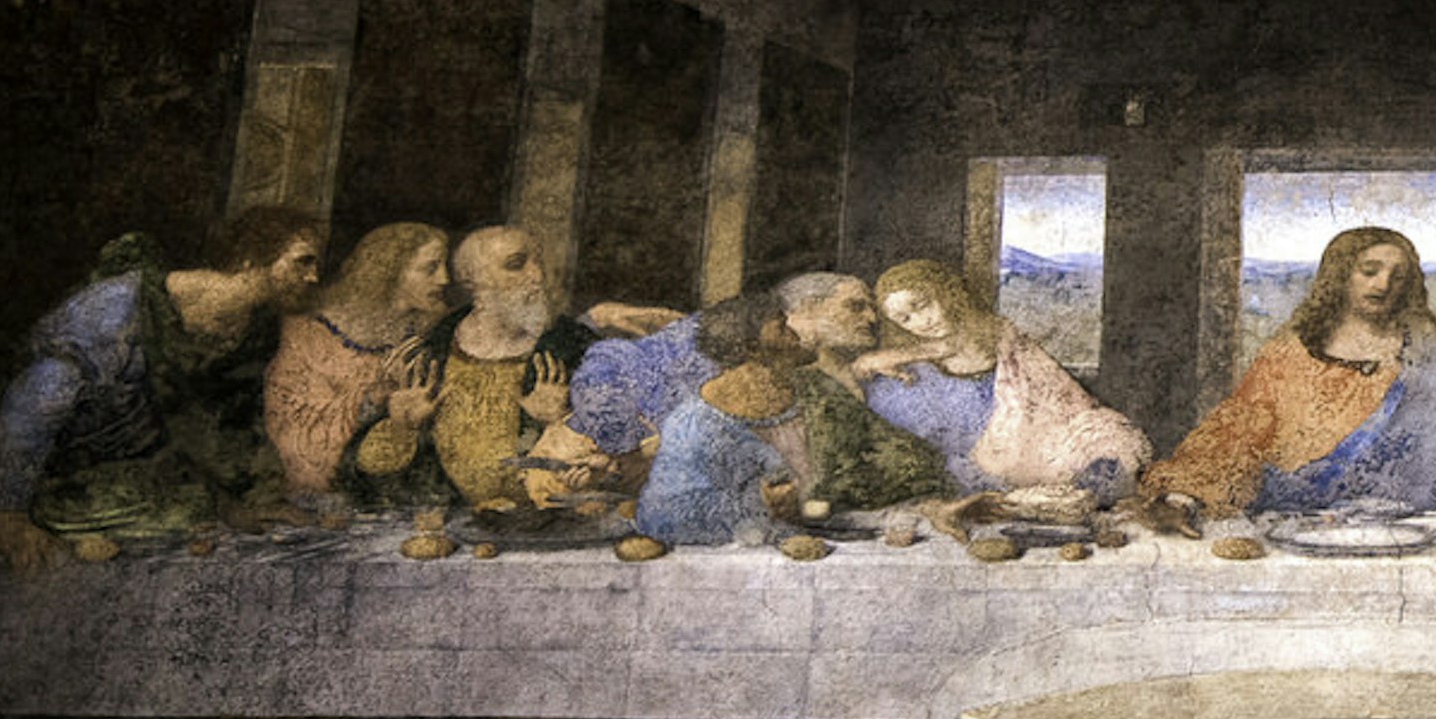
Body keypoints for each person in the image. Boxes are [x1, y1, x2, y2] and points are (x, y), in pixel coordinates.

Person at [1143, 228, 1436, 534]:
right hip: (1288, 530)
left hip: (1415, 533)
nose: (1384, 283)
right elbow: (1234, 433)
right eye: (1369, 270)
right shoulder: (1288, 356)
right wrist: (1184, 496)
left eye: (1398, 275)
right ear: (1339, 277)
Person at [0, 206, 323, 566]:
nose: (314, 277)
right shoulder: (119, 307)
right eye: (302, 262)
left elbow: (235, 419)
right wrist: (12, 515)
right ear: (249, 260)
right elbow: (40, 396)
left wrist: (258, 495)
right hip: (70, 480)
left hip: (157, 480)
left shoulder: (254, 329)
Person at [631, 272, 953, 547]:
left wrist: (923, 504)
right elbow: (659, 514)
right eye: (783, 328)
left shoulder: (816, 390)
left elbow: (905, 456)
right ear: (751, 348)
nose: (797, 335)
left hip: (840, 545)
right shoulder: (694, 424)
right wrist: (760, 506)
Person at [352, 226, 610, 510]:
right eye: (516, 265)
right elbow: (365, 481)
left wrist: (559, 423)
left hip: (549, 527)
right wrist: (401, 425)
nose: (537, 276)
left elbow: (619, 461)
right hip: (455, 527)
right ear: (474, 282)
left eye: (538, 263)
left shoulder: (576, 347)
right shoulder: (431, 352)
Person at [847, 259, 1151, 496]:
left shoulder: (986, 327)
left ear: (945, 292)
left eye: (922, 305)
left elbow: (956, 345)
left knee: (1110, 441)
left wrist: (888, 356)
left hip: (1048, 421)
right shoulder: (919, 368)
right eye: (905, 319)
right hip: (1003, 444)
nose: (921, 322)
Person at [260, 221, 450, 511]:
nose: (444, 279)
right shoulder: (309, 332)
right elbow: (293, 430)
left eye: (444, 266)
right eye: (430, 268)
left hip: (398, 495)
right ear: (391, 271)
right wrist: (379, 395)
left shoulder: (433, 332)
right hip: (318, 499)